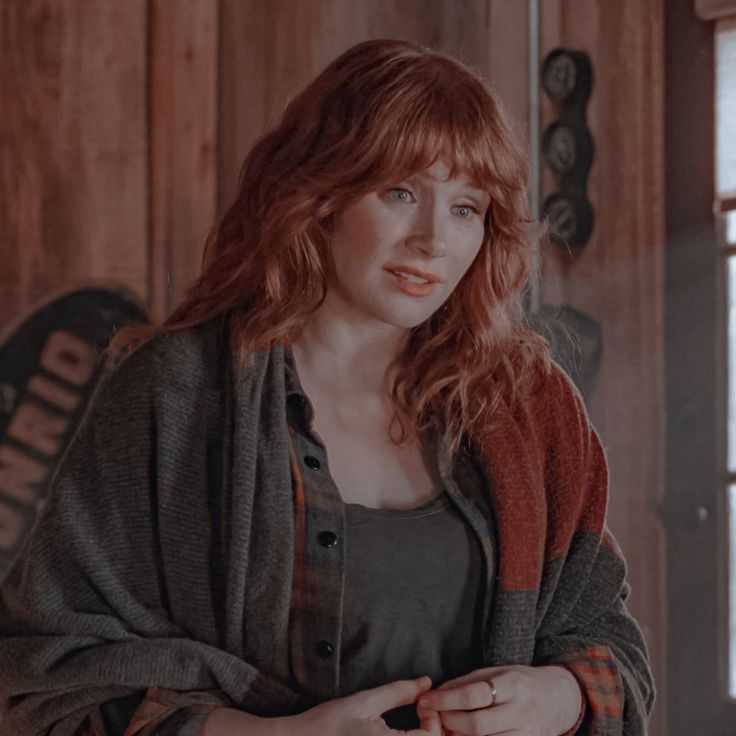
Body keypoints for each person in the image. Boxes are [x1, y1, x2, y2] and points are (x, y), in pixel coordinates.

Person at [0, 38, 654, 736]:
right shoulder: (177, 393)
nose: (433, 239)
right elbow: (47, 676)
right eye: (400, 192)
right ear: (320, 195)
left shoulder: (528, 406)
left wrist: (555, 698)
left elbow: (610, 645)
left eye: (466, 208)